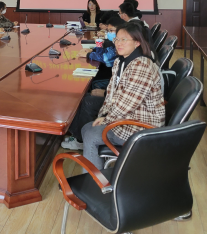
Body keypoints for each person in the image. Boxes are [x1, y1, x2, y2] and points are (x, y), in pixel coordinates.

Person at [81, 22, 165, 170]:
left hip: (140, 126)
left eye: (124, 40)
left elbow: (127, 104)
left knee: (89, 134)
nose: (118, 43)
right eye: (117, 39)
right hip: (127, 118)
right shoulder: (120, 61)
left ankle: (94, 180)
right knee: (87, 128)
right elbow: (111, 95)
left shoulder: (141, 65)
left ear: (137, 42)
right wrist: (104, 115)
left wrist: (107, 119)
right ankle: (100, 171)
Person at [63, 16, 125, 151]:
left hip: (127, 121)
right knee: (83, 97)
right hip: (114, 93)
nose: (109, 33)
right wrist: (94, 49)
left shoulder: (136, 61)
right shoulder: (116, 47)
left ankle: (80, 139)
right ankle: (77, 134)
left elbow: (107, 59)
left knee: (87, 98)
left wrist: (106, 94)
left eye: (111, 30)